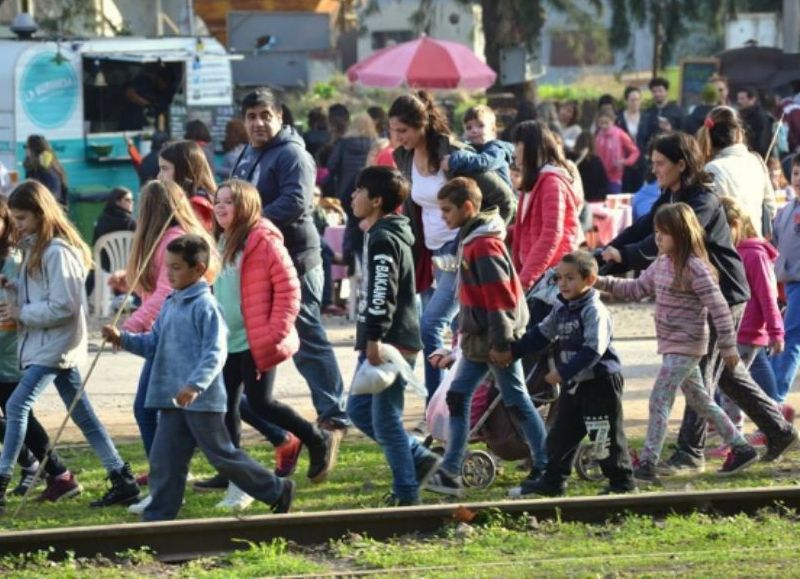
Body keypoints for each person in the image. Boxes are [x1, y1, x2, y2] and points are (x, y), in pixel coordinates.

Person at [601, 132, 798, 471]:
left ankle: (690, 453)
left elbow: (661, 240)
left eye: (661, 163)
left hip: (720, 293)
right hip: (700, 294)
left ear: (681, 164)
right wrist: (605, 256)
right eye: (653, 162)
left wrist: (627, 255)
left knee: (703, 375)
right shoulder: (671, 194)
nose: (655, 168)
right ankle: (778, 430)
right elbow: (643, 228)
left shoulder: (702, 200)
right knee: (725, 376)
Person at [102, 235, 295, 521]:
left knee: (222, 456)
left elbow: (216, 353)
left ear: (198, 268)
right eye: (168, 266)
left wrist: (195, 385)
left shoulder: (206, 306)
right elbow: (153, 344)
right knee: (165, 459)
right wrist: (123, 339)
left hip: (201, 401)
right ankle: (159, 515)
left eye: (177, 267)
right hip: (171, 398)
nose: (169, 273)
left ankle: (277, 488)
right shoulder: (170, 303)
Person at [0, 181, 140, 511]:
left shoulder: (57, 252)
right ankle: (122, 478)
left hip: (55, 346)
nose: (16, 225)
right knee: (85, 418)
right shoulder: (38, 248)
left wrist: (22, 312)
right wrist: (15, 286)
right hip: (53, 344)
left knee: (17, 406)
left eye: (21, 218)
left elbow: (63, 305)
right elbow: (44, 294)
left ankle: (2, 478)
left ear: (40, 214)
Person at [597, 203, 759, 481]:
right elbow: (636, 288)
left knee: (659, 399)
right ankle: (741, 447)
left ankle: (647, 462)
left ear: (683, 234)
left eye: (665, 233)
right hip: (672, 344)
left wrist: (728, 346)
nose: (658, 238)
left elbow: (719, 307)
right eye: (657, 232)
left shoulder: (696, 268)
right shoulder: (661, 263)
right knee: (701, 401)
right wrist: (598, 282)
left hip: (688, 345)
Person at [211, 179, 338, 510]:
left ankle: (315, 438)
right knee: (227, 409)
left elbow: (289, 290)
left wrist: (273, 333)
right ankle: (236, 477)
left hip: (256, 341)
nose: (220, 207)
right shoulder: (222, 241)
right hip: (228, 343)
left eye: (229, 201)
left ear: (247, 206)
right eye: (217, 201)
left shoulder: (263, 241)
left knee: (261, 404)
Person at [231, 88, 349, 433]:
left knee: (307, 336)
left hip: (297, 258)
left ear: (280, 117)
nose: (258, 123)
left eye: (266, 115)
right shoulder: (249, 154)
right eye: (252, 117)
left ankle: (333, 412)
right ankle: (265, 410)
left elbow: (295, 203)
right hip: (264, 258)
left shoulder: (292, 155)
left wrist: (247, 223)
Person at [389, 91, 515, 402]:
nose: (397, 138)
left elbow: (504, 199)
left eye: (402, 131)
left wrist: (481, 238)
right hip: (431, 252)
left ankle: (439, 405)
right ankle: (465, 403)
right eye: (393, 131)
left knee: (430, 325)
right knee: (460, 330)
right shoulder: (403, 157)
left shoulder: (454, 154)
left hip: (459, 251)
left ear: (421, 125)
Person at [425, 177, 547, 497]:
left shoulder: (483, 244)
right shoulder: (471, 239)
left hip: (494, 343)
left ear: (468, 207)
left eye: (448, 210)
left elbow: (500, 298)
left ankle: (547, 465)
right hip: (478, 343)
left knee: (517, 400)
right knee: (459, 396)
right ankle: (451, 472)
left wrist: (502, 344)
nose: (443, 217)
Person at [346, 166, 440, 506]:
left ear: (376, 200)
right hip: (384, 337)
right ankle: (419, 456)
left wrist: (374, 338)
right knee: (358, 410)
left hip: (389, 341)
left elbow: (381, 292)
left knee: (385, 420)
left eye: (358, 191)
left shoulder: (385, 238)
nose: (352, 197)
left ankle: (406, 492)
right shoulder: (381, 232)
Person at [119, 180, 214, 512]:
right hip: (165, 333)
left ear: (150, 210)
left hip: (170, 336)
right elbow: (158, 288)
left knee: (150, 412)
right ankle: (165, 487)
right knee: (156, 413)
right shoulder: (165, 240)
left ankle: (167, 486)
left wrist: (130, 327)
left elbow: (164, 294)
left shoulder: (171, 238)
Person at [509, 251, 635, 496]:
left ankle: (622, 483)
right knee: (561, 433)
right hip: (575, 383)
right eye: (559, 278)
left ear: (589, 279)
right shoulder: (561, 308)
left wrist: (562, 372)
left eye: (570, 278)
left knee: (604, 435)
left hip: (600, 383)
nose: (563, 284)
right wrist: (513, 351)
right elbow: (541, 334)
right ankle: (553, 481)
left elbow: (593, 349)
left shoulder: (593, 310)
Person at [0, 196, 79, 502]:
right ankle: (41, 467)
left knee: (18, 412)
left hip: (11, 348)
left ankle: (53, 471)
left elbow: (33, 304)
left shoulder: (18, 257)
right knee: (16, 413)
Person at [713, 197, 787, 453]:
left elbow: (768, 296)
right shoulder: (731, 252)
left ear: (735, 224)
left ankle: (736, 439)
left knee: (731, 388)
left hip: (747, 333)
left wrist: (777, 332)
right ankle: (775, 416)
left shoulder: (753, 254)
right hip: (734, 331)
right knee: (736, 386)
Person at [510, 120, 582, 324]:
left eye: (517, 144)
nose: (514, 150)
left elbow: (551, 234)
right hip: (538, 274)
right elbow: (530, 227)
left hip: (551, 276)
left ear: (531, 147)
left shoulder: (551, 182)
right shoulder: (534, 181)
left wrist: (526, 279)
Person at [696, 106, 775, 237]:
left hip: (728, 248)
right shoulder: (756, 161)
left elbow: (710, 217)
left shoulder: (711, 168)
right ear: (739, 133)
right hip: (756, 247)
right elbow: (771, 209)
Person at [327, 113, 377, 272]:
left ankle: (349, 256)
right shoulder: (374, 144)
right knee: (368, 223)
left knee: (352, 222)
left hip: (346, 191)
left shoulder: (343, 143)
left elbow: (331, 165)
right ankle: (363, 259)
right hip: (369, 191)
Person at [770, 156, 800, 407]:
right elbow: (774, 240)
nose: (799, 179)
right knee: (783, 336)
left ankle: (775, 398)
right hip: (787, 284)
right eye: (797, 173)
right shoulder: (786, 210)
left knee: (790, 339)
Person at [443, 105, 514, 188]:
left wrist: (452, 161)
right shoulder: (471, 148)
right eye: (469, 128)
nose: (474, 130)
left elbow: (483, 163)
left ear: (493, 129)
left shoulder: (497, 148)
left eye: (480, 125)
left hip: (499, 199)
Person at [86, 187, 137, 299]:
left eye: (132, 200)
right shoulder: (132, 223)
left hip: (105, 267)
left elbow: (96, 245)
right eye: (128, 200)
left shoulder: (101, 221)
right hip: (130, 267)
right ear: (117, 201)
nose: (132, 203)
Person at [158, 140, 216, 232]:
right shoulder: (185, 198)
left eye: (164, 168)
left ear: (184, 170)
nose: (159, 176)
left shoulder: (197, 204)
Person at [594, 110, 640, 194]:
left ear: (612, 121)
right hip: (599, 175)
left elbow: (635, 152)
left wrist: (625, 162)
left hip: (615, 176)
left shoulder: (620, 134)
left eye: (606, 123)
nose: (604, 126)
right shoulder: (598, 135)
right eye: (601, 123)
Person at [119, 66, 175, 131]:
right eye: (163, 82)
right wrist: (147, 105)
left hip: (148, 128)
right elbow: (129, 93)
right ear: (158, 78)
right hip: (130, 125)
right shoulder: (143, 80)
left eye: (167, 84)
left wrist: (161, 132)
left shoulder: (166, 93)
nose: (164, 86)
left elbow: (162, 113)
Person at [637, 77, 683, 155]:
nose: (657, 94)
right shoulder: (648, 113)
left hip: (672, 154)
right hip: (652, 156)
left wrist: (670, 130)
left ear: (666, 92)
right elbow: (642, 137)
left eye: (660, 91)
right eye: (654, 91)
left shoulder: (677, 111)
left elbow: (685, 136)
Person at [23, 135, 67, 207]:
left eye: (26, 146)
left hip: (48, 212)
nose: (25, 149)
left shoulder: (45, 171)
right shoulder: (52, 167)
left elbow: (52, 197)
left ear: (33, 149)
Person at [616, 86, 645, 192]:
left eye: (638, 99)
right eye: (632, 100)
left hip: (642, 162)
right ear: (626, 101)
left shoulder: (646, 117)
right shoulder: (618, 118)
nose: (635, 103)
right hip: (623, 162)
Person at [736, 87, 774, 160]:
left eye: (742, 99)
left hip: (758, 157)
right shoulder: (743, 114)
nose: (739, 101)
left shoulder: (760, 117)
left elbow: (762, 141)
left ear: (752, 99)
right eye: (738, 98)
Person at [571, 131, 609, 203]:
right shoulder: (596, 161)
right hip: (595, 199)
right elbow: (604, 182)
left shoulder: (571, 159)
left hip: (577, 199)